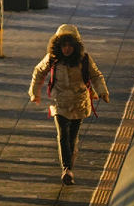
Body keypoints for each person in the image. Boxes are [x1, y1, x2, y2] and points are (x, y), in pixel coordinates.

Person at [28, 24, 110, 186]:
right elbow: (39, 72)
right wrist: (34, 93)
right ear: (58, 45)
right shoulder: (52, 59)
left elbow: (96, 76)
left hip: (79, 103)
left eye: (69, 45)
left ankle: (69, 167)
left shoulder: (84, 59)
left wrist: (102, 91)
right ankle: (66, 169)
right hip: (59, 103)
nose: (66, 49)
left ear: (75, 45)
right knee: (63, 135)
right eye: (63, 45)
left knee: (72, 137)